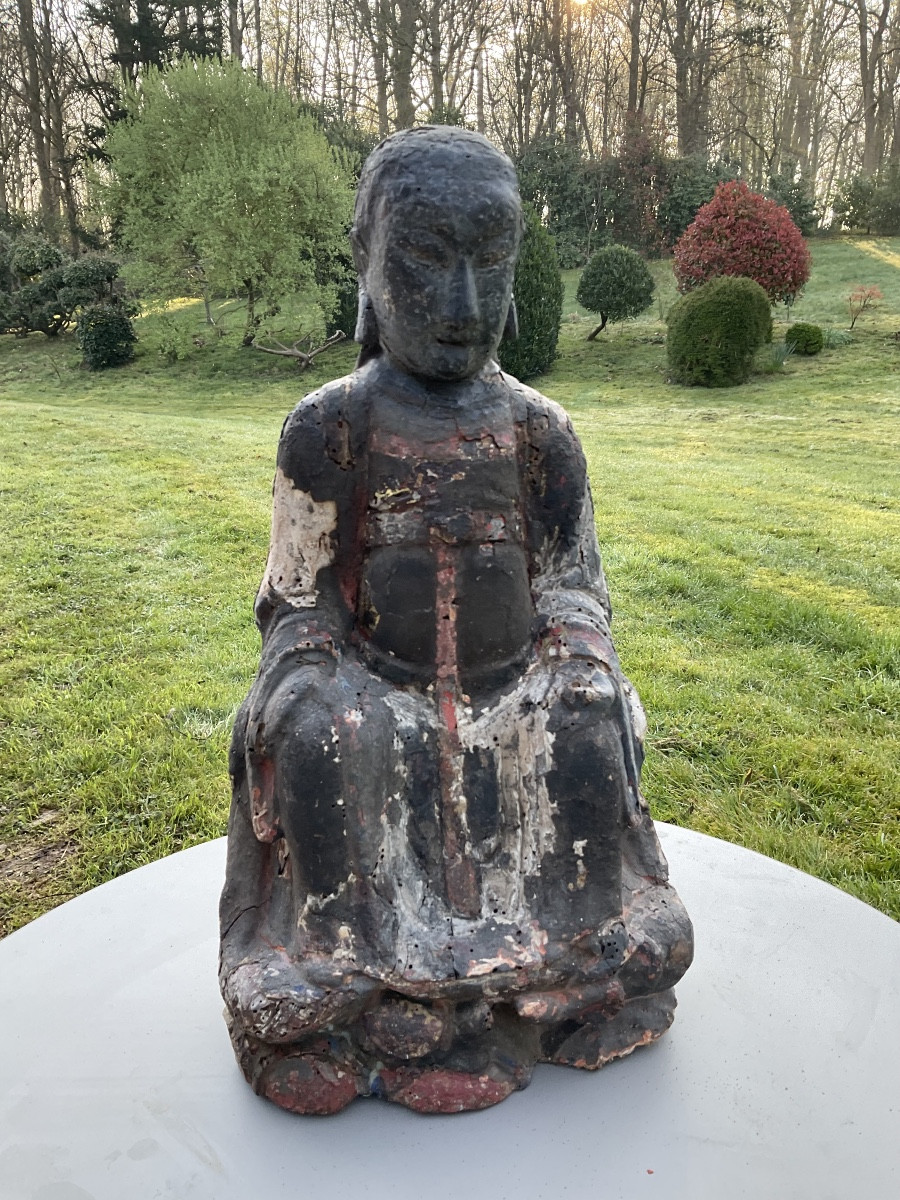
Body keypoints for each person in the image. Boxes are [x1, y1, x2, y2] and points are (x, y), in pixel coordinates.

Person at [220, 126, 693, 1115]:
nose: (463, 304)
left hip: (515, 694)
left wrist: (571, 651)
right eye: (428, 259)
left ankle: (560, 955)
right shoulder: (329, 428)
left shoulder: (540, 432)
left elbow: (572, 581)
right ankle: (345, 969)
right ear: (364, 256)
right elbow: (297, 596)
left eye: (491, 262)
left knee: (585, 713)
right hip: (374, 698)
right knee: (316, 728)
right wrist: (310, 667)